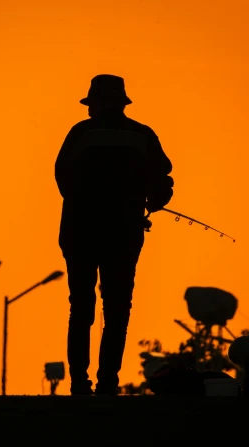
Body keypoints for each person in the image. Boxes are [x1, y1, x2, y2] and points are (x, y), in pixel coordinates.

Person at [55, 74, 174, 396]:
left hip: (80, 232)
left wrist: (89, 203)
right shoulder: (142, 135)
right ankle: (108, 381)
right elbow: (163, 180)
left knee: (80, 307)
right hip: (123, 233)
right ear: (122, 103)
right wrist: (149, 201)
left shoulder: (81, 134)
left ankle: (80, 382)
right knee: (117, 309)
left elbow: (63, 178)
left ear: (95, 104)